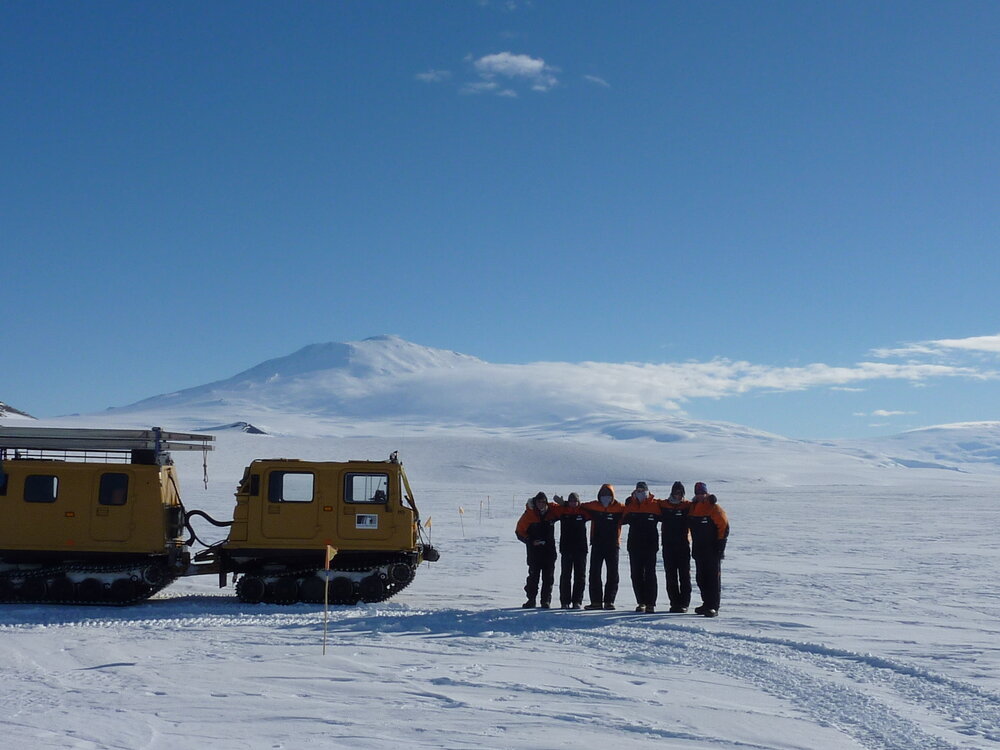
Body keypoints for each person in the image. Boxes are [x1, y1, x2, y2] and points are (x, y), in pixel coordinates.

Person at [688, 482, 730, 617]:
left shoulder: (714, 508)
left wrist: (720, 546)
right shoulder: (693, 508)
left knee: (713, 578)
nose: (700, 496)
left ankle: (713, 606)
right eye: (698, 493)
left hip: (712, 549)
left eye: (702, 493)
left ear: (706, 493)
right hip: (698, 549)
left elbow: (724, 527)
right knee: (701, 578)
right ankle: (706, 603)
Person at [580, 484, 625, 610]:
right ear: (599, 495)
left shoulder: (619, 507)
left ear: (612, 496)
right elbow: (579, 506)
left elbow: (632, 511)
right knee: (594, 573)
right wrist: (566, 503)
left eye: (608, 495)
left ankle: (609, 601)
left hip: (613, 545)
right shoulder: (594, 506)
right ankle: (596, 602)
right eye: (603, 495)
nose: (605, 497)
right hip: (597, 544)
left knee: (612, 573)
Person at [622, 481, 662, 613]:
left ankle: (651, 603)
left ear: (647, 491)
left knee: (650, 574)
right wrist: (628, 503)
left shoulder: (655, 505)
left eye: (642, 490)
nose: (640, 492)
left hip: (650, 545)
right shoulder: (631, 505)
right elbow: (621, 520)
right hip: (634, 545)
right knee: (636, 574)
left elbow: (669, 515)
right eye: (638, 490)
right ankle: (641, 602)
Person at [515, 491, 558, 608]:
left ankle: (545, 601)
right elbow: (519, 532)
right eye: (539, 502)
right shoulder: (529, 514)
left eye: (543, 502)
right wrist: (530, 541)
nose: (541, 504)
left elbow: (563, 510)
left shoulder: (551, 512)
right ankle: (531, 600)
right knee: (533, 577)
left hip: (549, 551)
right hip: (534, 553)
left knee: (548, 578)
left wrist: (562, 502)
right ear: (535, 502)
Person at [659, 481, 692, 613]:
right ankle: (674, 602)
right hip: (668, 546)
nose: (677, 495)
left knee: (684, 576)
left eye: (680, 493)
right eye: (675, 493)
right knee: (670, 576)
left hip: (683, 546)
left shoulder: (688, 506)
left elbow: (702, 504)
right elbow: (649, 503)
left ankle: (684, 603)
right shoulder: (664, 505)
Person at [555, 492, 588, 609]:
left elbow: (593, 508)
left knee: (580, 576)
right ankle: (565, 601)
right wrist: (562, 504)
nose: (573, 503)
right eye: (571, 501)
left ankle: (577, 601)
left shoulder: (583, 511)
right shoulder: (562, 511)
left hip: (581, 549)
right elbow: (549, 507)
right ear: (568, 502)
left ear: (578, 502)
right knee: (565, 575)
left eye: (575, 501)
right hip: (566, 548)